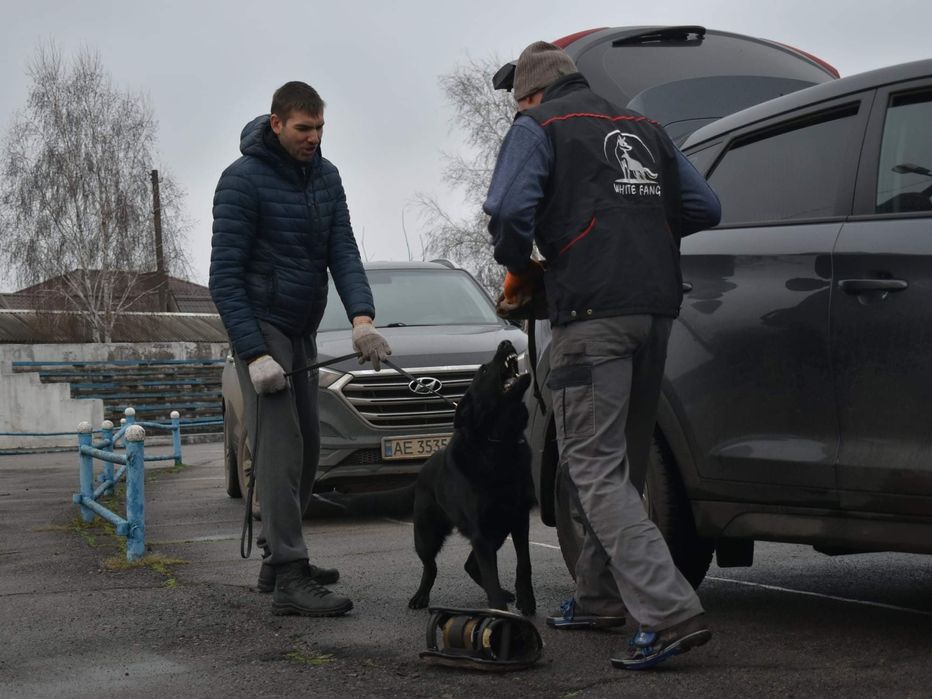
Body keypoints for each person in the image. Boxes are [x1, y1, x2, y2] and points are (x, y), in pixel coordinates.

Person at [483, 42, 722, 669]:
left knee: (592, 467)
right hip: (656, 310)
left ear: (530, 96)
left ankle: (668, 611)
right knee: (624, 466)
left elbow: (509, 209)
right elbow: (704, 207)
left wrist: (519, 265)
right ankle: (598, 595)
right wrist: (636, 232)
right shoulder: (646, 128)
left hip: (591, 316)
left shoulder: (538, 127)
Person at [209, 81, 391, 617]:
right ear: (277, 124)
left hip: (302, 328)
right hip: (261, 327)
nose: (313, 138)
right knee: (280, 449)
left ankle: (277, 559)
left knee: (310, 448)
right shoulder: (241, 181)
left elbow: (344, 250)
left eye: (319, 129)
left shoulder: (326, 178)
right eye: (303, 129)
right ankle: (290, 574)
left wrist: (361, 319)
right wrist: (253, 352)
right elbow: (223, 278)